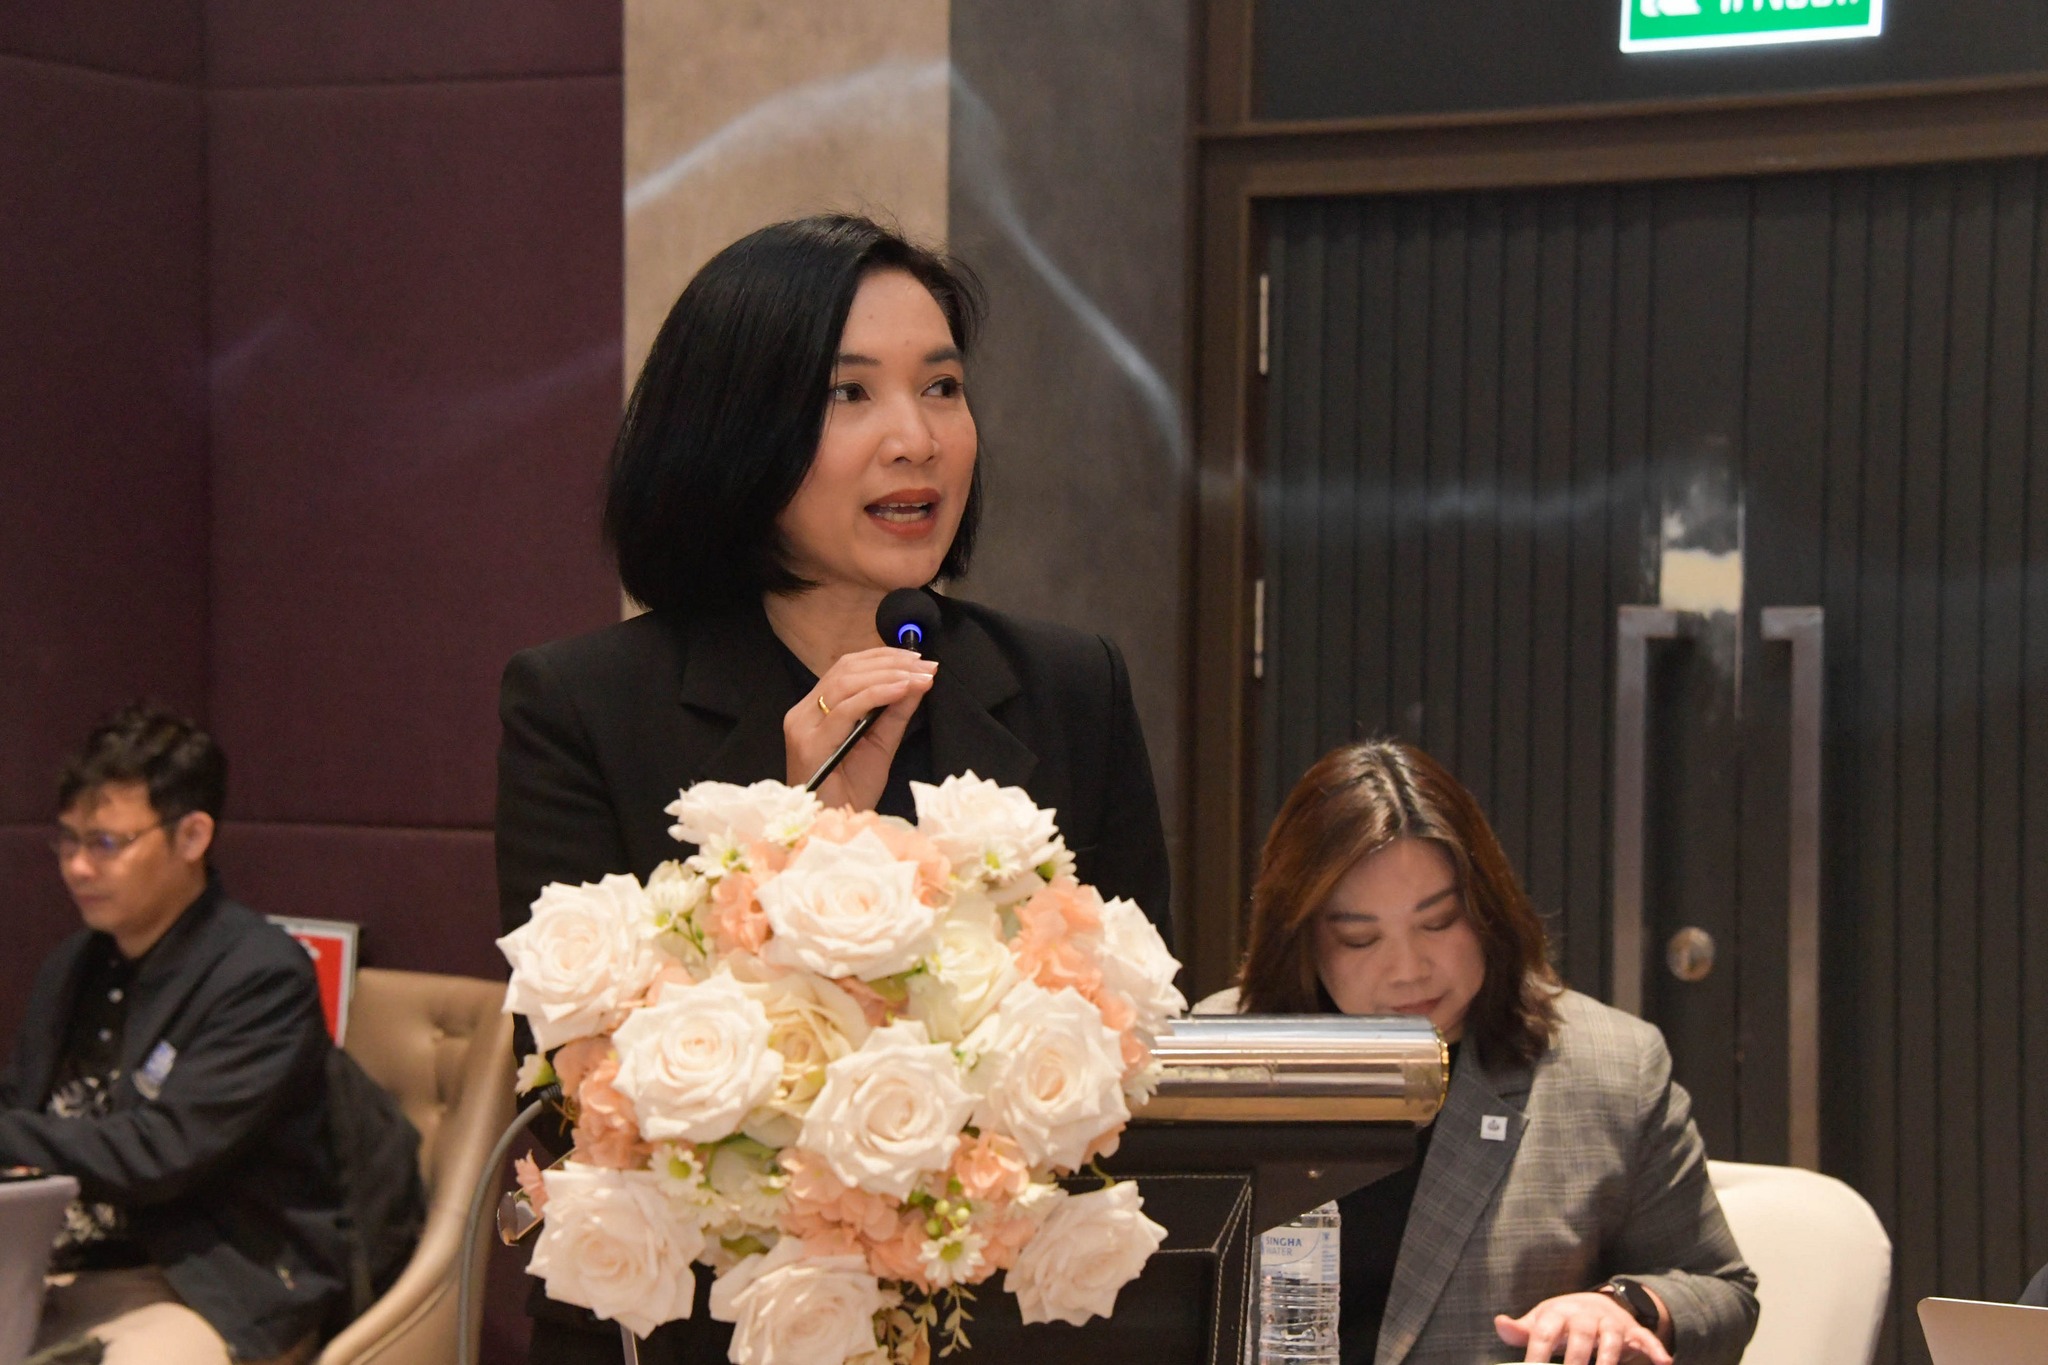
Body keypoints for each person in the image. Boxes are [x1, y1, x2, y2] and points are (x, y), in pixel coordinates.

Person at [496, 213, 1172, 1363]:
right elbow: (594, 1099)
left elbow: (1132, 1051)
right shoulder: (583, 706)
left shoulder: (1067, 687)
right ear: (734, 431)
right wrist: (803, 821)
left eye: (941, 387)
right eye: (848, 395)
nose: (915, 439)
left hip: (996, 1327)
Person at [1233, 740, 1757, 1365]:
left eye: (1438, 922)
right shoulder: (1212, 1061)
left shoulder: (1609, 1066)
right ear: (1301, 939)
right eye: (1359, 938)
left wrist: (1623, 1306)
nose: (1408, 969)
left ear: (1487, 910)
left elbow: (1721, 1291)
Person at [1, 704, 346, 1365]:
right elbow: (22, 1106)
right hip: (61, 1263)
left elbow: (160, 1153)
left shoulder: (262, 973)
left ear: (191, 837)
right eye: (68, 840)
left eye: (105, 843)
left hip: (212, 1277)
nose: (77, 867)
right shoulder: (73, 963)